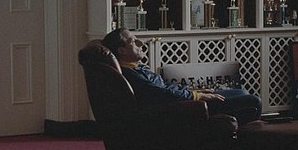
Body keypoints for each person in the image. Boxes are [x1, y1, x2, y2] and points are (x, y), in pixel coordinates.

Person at [102, 27, 262, 125]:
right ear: (121, 50)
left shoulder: (136, 67)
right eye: (133, 41)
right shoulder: (130, 75)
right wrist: (197, 96)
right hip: (185, 108)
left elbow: (166, 86)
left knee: (242, 92)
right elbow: (161, 94)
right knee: (253, 101)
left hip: (184, 99)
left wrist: (195, 91)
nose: (141, 44)